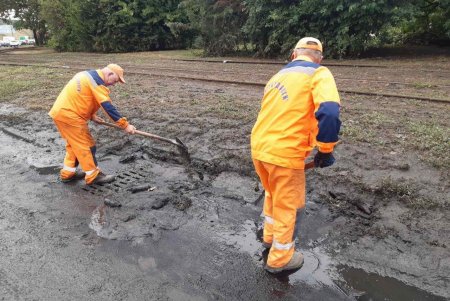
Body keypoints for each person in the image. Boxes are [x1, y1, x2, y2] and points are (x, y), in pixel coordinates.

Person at [251, 37, 341, 273]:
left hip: (260, 148)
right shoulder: (319, 73)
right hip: (285, 154)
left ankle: (269, 239)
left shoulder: (277, 77)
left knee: (273, 194)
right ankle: (280, 260)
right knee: (289, 206)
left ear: (293, 55)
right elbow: (330, 112)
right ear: (319, 58)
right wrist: (325, 150)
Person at [49, 64, 136, 185]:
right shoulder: (97, 82)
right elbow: (107, 106)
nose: (113, 84)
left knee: (74, 145)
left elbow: (81, 97)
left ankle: (68, 173)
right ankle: (93, 176)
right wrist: (125, 125)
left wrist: (92, 116)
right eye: (115, 80)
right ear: (109, 74)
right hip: (70, 116)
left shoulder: (87, 75)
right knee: (87, 146)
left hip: (60, 113)